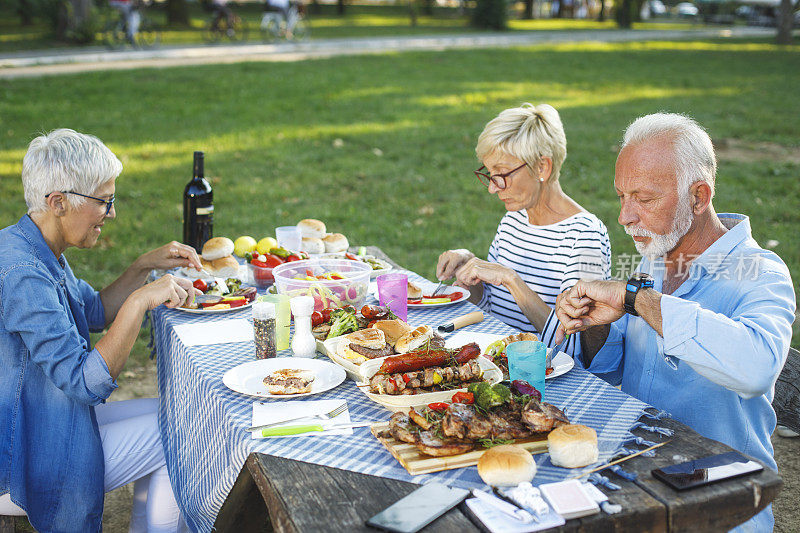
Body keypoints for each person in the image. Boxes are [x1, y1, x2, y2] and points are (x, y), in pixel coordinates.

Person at [549, 113, 795, 531]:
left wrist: (637, 301)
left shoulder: (760, 271)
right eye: (622, 196)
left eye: (644, 199)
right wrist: (595, 323)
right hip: (636, 478)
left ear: (699, 197)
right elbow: (610, 374)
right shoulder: (651, 263)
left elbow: (756, 368)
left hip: (718, 498)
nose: (626, 216)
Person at [0, 129, 201, 532]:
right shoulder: (24, 274)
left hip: (43, 416)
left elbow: (92, 310)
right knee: (179, 437)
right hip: (22, 455)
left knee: (179, 415)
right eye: (104, 202)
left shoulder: (30, 243)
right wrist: (140, 300)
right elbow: (84, 382)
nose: (112, 214)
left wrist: (143, 266)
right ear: (58, 202)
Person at [437, 103, 611, 337]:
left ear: (542, 167)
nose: (492, 188)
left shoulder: (586, 235)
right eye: (489, 174)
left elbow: (573, 343)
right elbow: (493, 309)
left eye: (502, 174)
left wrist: (510, 279)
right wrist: (470, 271)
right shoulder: (513, 220)